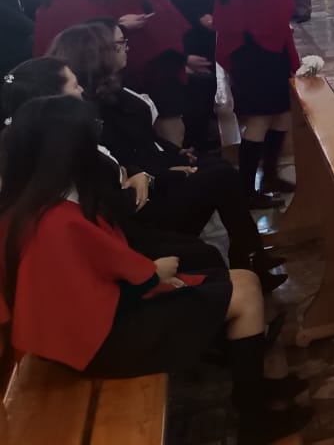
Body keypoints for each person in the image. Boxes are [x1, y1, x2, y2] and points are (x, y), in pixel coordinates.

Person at [0, 96, 311, 444]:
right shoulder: (57, 221)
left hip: (101, 324)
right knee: (245, 295)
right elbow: (102, 287)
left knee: (243, 284)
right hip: (104, 342)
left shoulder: (34, 203)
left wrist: (151, 275)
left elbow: (96, 272)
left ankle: (254, 392)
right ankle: (255, 421)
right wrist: (156, 274)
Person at [47, 22, 285, 290]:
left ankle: (250, 256)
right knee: (220, 176)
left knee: (217, 169)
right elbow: (123, 162)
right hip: (142, 202)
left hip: (155, 172)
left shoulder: (116, 87)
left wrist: (174, 154)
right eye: (119, 44)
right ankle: (248, 260)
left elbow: (146, 140)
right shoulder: (91, 110)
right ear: (98, 54)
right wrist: (168, 168)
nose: (127, 48)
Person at [1, 57, 226, 275]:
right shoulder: (57, 155)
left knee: (214, 188)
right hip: (112, 243)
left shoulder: (53, 140)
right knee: (206, 252)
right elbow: (100, 210)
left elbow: (117, 173)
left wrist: (138, 176)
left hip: (119, 228)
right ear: (51, 98)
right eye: (75, 85)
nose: (82, 91)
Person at [215, 0, 302, 199]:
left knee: (281, 116)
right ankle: (246, 188)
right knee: (260, 120)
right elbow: (266, 18)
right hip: (258, 56)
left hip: (261, 53)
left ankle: (270, 175)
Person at [104, 0, 207, 146]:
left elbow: (172, 25)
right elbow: (147, 41)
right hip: (150, 74)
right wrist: (183, 60)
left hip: (167, 68)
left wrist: (183, 59)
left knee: (179, 126)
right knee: (170, 132)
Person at [167, 0, 222, 152]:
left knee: (210, 81)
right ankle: (195, 142)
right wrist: (199, 14)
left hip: (212, 24)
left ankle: (207, 134)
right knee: (200, 80)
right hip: (193, 28)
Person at [0, 0, 33, 75]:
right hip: (10, 51)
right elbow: (8, 14)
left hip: (13, 46)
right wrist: (35, 28)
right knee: (10, 82)